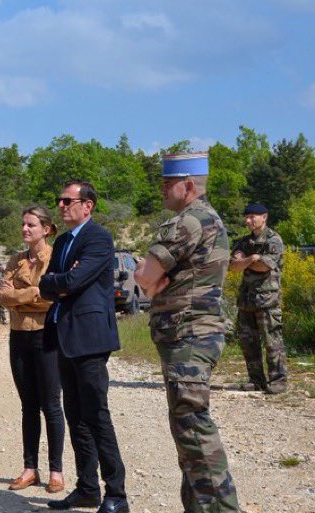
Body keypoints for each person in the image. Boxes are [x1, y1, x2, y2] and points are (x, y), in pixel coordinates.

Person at [134, 153, 240, 513]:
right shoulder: (209, 219)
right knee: (186, 426)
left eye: (168, 183)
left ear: (189, 186)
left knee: (193, 426)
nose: (162, 188)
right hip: (192, 333)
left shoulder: (188, 221)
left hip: (188, 334)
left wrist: (149, 279)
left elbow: (145, 278)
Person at [39, 181, 128, 513]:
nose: (61, 206)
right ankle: (87, 488)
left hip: (89, 338)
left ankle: (116, 493)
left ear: (87, 205)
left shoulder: (99, 238)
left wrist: (62, 282)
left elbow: (75, 281)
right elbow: (46, 285)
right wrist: (59, 282)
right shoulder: (62, 241)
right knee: (75, 416)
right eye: (59, 201)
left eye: (67, 201)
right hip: (63, 335)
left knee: (96, 414)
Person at [0, 206, 64, 494]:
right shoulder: (16, 260)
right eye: (23, 224)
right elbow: (2, 297)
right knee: (28, 406)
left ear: (47, 229)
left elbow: (55, 297)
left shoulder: (56, 259)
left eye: (32, 225)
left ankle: (56, 471)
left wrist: (21, 296)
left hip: (47, 336)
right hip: (19, 336)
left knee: (51, 405)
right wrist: (34, 292)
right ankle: (29, 469)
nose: (25, 229)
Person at [229, 203, 287, 394]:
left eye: (253, 217)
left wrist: (248, 261)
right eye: (247, 217)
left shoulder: (274, 240)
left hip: (267, 300)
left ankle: (278, 381)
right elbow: (233, 266)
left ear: (264, 217)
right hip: (246, 300)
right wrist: (251, 259)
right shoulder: (243, 242)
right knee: (248, 343)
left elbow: (265, 266)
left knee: (272, 341)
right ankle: (256, 380)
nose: (248, 221)